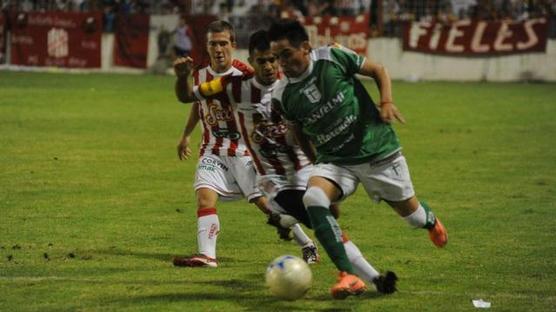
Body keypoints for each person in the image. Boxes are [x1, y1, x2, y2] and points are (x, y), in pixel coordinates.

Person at [174, 29, 398, 295]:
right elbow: (189, 96)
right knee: (319, 221)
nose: (268, 66)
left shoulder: (292, 83)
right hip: (274, 179)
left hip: (303, 169)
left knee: (326, 220)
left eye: (272, 59)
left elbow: (318, 68)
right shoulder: (234, 87)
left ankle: (291, 226)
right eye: (262, 61)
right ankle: (362, 276)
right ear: (252, 60)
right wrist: (181, 78)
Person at [268, 20, 448, 299]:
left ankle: (430, 221)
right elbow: (299, 131)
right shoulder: (282, 94)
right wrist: (316, 162)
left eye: (287, 54)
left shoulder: (332, 57)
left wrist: (386, 102)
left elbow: (378, 70)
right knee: (313, 198)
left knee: (412, 216)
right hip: (336, 161)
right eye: (277, 57)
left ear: (306, 48)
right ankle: (348, 275)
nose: (282, 62)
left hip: (376, 150)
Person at [172, 20, 318, 268]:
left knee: (268, 206)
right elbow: (198, 104)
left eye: (223, 43)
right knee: (204, 197)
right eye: (213, 44)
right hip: (212, 149)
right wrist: (186, 134)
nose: (218, 49)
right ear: (206, 47)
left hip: (243, 150)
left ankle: (307, 244)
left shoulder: (246, 75)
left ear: (233, 45)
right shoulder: (199, 73)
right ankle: (208, 256)